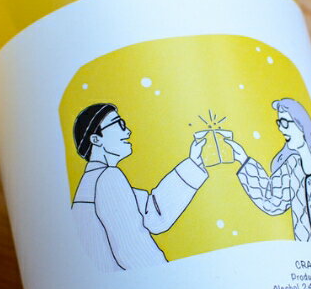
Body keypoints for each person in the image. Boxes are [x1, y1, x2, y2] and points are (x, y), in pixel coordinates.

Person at [71, 103, 208, 272]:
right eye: (119, 124)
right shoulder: (108, 178)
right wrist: (169, 278)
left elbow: (152, 214)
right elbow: (133, 250)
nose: (128, 132)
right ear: (96, 139)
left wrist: (193, 163)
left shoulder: (92, 180)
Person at [223, 98, 311, 242]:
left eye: (285, 123)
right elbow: (272, 201)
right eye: (279, 123)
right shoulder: (291, 166)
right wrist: (243, 159)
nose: (281, 129)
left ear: (301, 124)